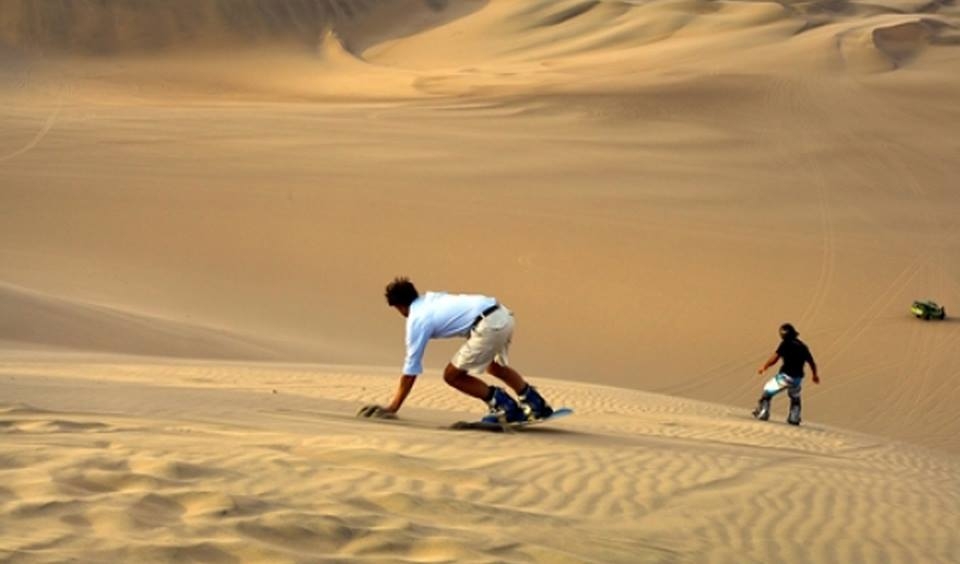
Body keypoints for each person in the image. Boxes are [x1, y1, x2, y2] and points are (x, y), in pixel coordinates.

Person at [357, 277, 554, 424]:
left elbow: (411, 369)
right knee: (493, 367)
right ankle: (536, 404)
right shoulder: (431, 298)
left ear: (399, 306)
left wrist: (393, 407)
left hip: (487, 326)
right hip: (503, 315)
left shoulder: (416, 319)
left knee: (452, 375)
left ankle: (504, 406)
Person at [753, 323, 820, 425]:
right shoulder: (802, 346)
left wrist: (765, 367)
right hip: (797, 378)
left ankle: (763, 413)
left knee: (767, 391)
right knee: (795, 397)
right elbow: (811, 362)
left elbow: (775, 358)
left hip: (784, 377)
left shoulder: (785, 344)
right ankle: (794, 418)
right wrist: (814, 375)